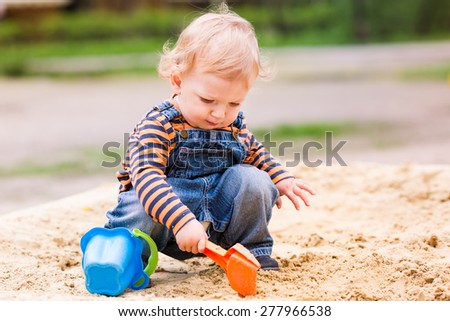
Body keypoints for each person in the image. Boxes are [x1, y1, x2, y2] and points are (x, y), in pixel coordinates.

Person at [105, 3, 315, 270]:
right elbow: (147, 178)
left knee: (255, 180)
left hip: (214, 220)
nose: (219, 114)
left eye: (233, 104)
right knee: (139, 203)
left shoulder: (233, 125)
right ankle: (125, 255)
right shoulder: (158, 125)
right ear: (178, 81)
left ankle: (249, 252)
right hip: (164, 222)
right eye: (208, 99)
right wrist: (181, 221)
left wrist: (279, 177)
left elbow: (254, 151)